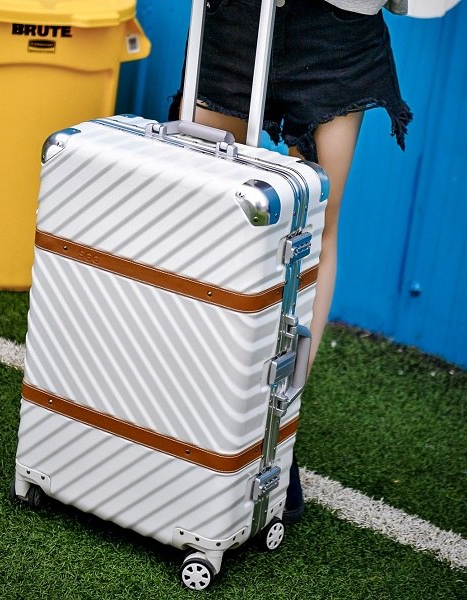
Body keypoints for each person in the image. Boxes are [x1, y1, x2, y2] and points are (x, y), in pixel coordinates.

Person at [169, 0, 412, 523]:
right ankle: (183, 402)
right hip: (236, 14)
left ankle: (275, 428)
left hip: (336, 24)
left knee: (316, 220)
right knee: (204, 204)